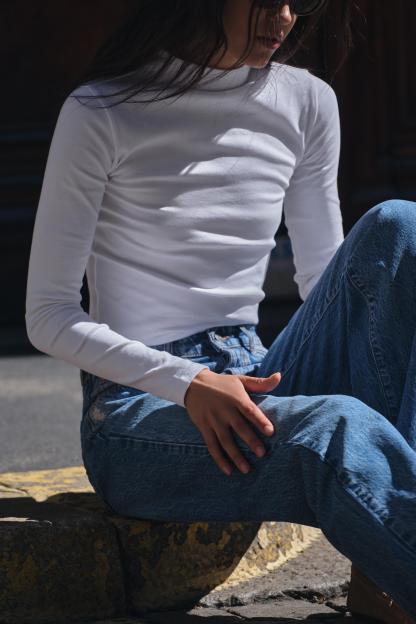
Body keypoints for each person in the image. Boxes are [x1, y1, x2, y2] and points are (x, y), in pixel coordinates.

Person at [25, 1, 416, 621]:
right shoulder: (102, 110)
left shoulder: (306, 100)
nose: (284, 17)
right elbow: (47, 315)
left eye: (297, 0)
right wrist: (188, 382)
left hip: (256, 372)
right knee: (336, 428)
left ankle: (383, 571)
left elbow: (330, 282)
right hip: (138, 407)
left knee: (400, 227)